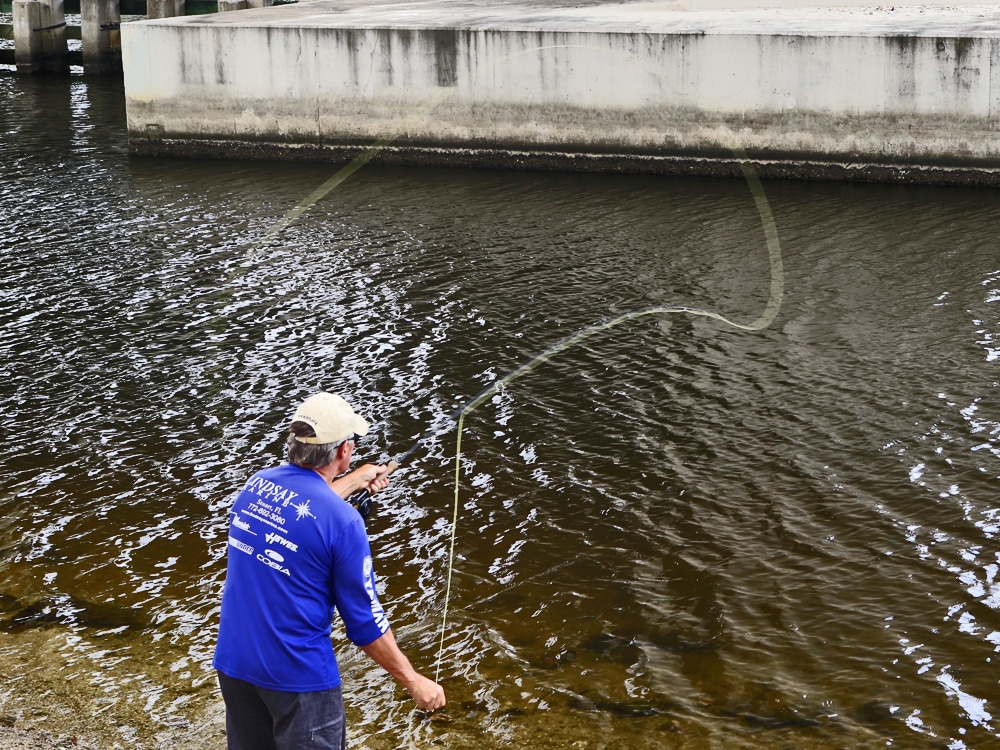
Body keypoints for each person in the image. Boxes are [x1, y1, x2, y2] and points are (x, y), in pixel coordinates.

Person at [213, 391, 446, 750]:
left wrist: (356, 479)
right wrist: (414, 680)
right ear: (343, 451)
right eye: (352, 443)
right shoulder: (344, 523)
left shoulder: (256, 486)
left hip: (235, 662)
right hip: (298, 679)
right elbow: (365, 623)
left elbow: (302, 509)